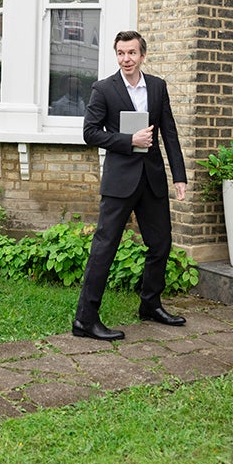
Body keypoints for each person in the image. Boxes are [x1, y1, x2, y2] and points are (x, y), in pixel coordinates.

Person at [74, 30, 188, 340]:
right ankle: (85, 319)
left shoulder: (157, 87)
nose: (126, 59)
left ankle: (150, 305)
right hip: (120, 181)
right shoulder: (103, 89)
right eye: (121, 53)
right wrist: (129, 140)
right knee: (104, 248)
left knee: (160, 244)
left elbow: (170, 133)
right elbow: (90, 133)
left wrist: (179, 176)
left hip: (152, 179)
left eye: (132, 53)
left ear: (142, 55)